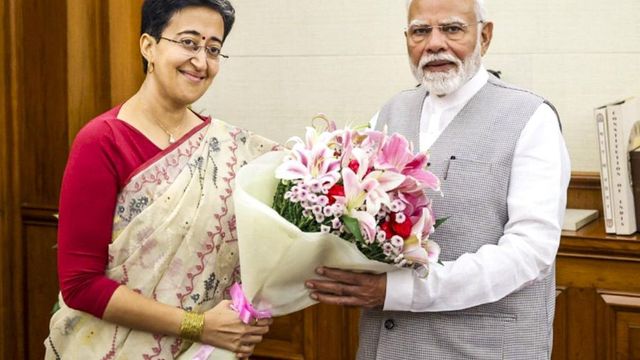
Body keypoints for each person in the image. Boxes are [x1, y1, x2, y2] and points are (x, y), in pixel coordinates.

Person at [305, 0, 571, 358]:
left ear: (485, 35)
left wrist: (400, 290)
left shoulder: (530, 117)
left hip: (483, 347)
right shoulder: (389, 112)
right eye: (420, 31)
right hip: (387, 345)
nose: (434, 44)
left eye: (452, 29)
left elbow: (530, 251)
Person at [45, 1, 275, 358]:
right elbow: (81, 284)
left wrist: (243, 317)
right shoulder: (103, 142)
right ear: (148, 46)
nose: (201, 61)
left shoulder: (227, 147)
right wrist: (199, 325)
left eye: (213, 49)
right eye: (188, 42)